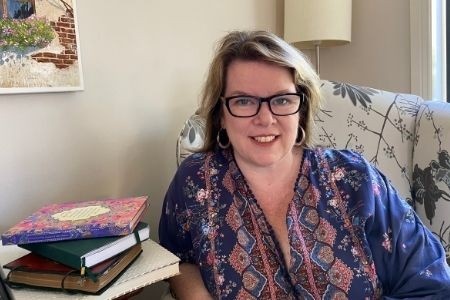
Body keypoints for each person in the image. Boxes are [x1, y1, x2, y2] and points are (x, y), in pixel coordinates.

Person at [159, 30, 450, 299]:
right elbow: (178, 260)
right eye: (245, 101)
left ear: (302, 108)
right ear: (221, 113)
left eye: (282, 100)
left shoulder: (354, 178)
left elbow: (432, 281)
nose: (265, 119)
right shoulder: (195, 181)